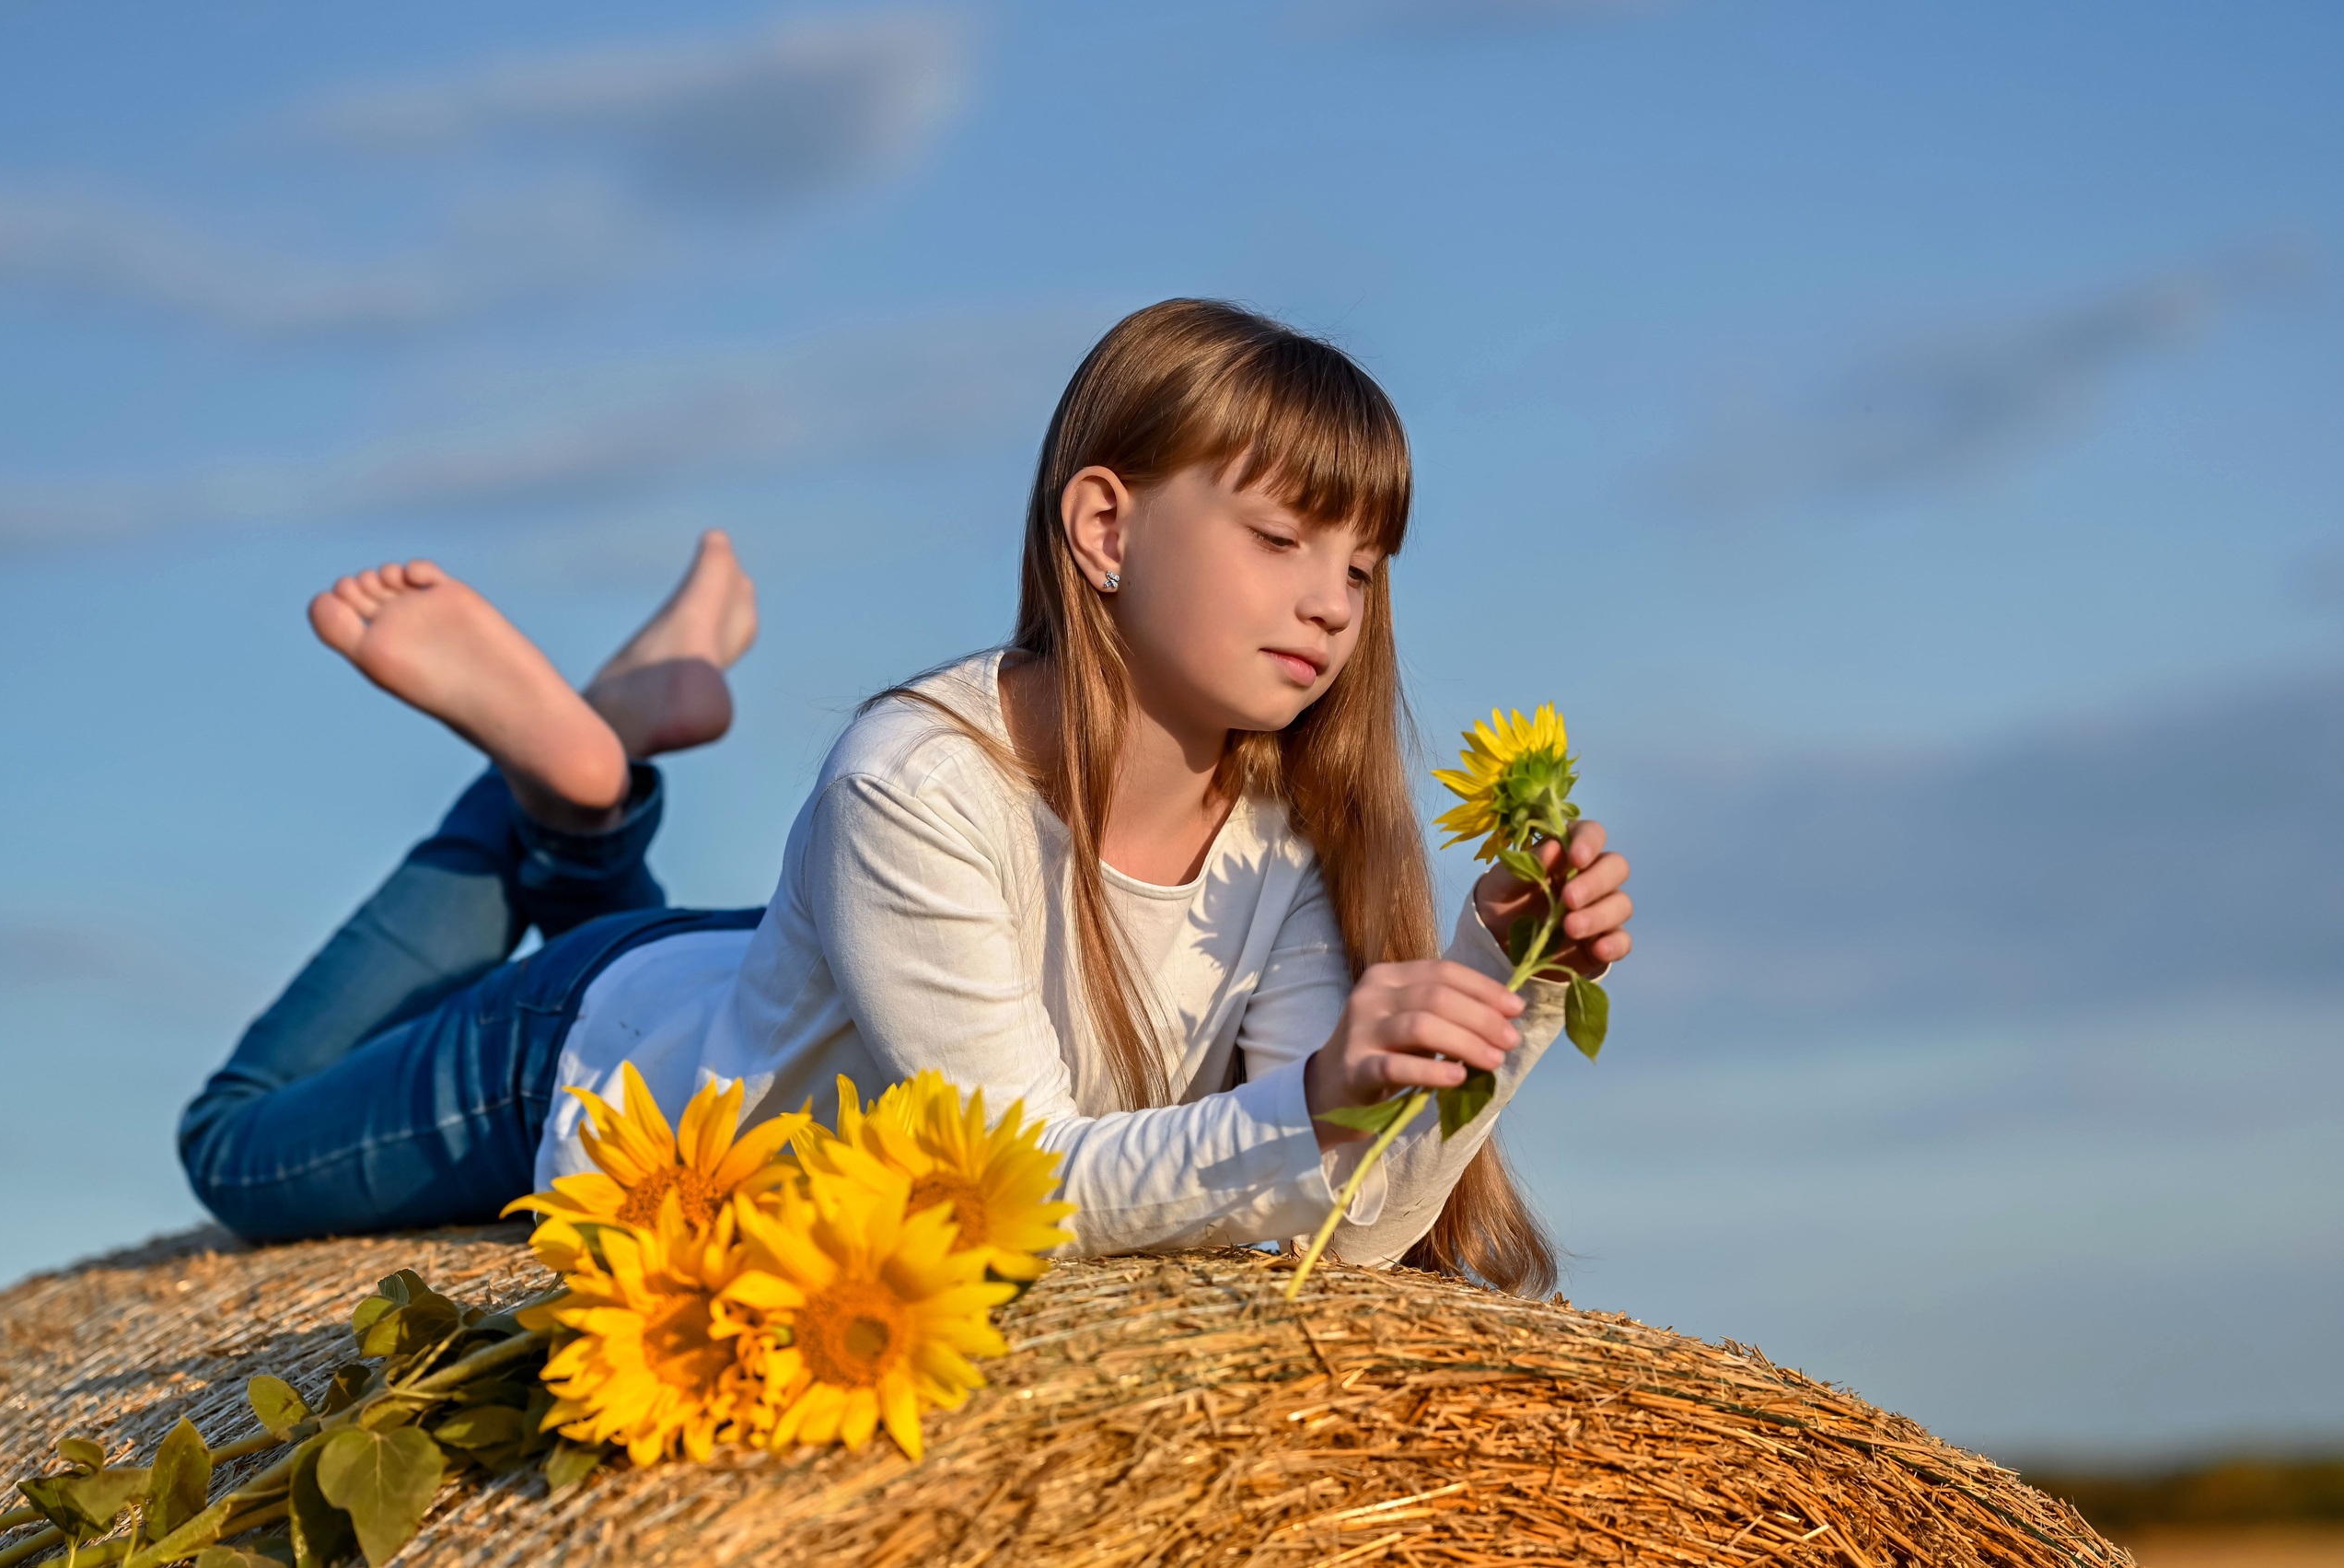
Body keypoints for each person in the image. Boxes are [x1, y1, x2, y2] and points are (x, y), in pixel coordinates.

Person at [178, 299, 1634, 1296]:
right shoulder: (916, 778)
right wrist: (1308, 1103)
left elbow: (1335, 1235)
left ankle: (596, 776)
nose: (1330, 605)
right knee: (234, 1146)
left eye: (1363, 569)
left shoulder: (1285, 841)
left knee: (765, 1001)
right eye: (1281, 538)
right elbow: (1027, 1191)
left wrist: (1495, 995)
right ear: (1106, 525)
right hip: (599, 1059)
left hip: (798, 1003)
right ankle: (555, 782)